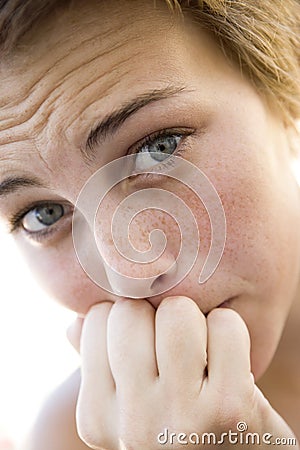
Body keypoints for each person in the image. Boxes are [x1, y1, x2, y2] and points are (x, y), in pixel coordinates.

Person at [0, 0, 299, 448]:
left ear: (284, 86)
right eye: (45, 214)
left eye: (157, 147)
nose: (128, 273)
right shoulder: (69, 438)